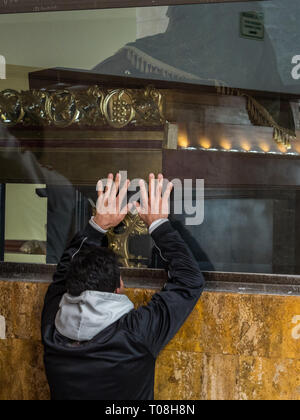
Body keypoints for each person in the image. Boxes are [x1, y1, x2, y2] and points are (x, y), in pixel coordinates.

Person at [41, 172, 205, 401]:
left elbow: (61, 276)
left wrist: (96, 226)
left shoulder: (53, 333)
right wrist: (159, 225)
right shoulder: (134, 335)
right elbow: (190, 280)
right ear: (119, 287)